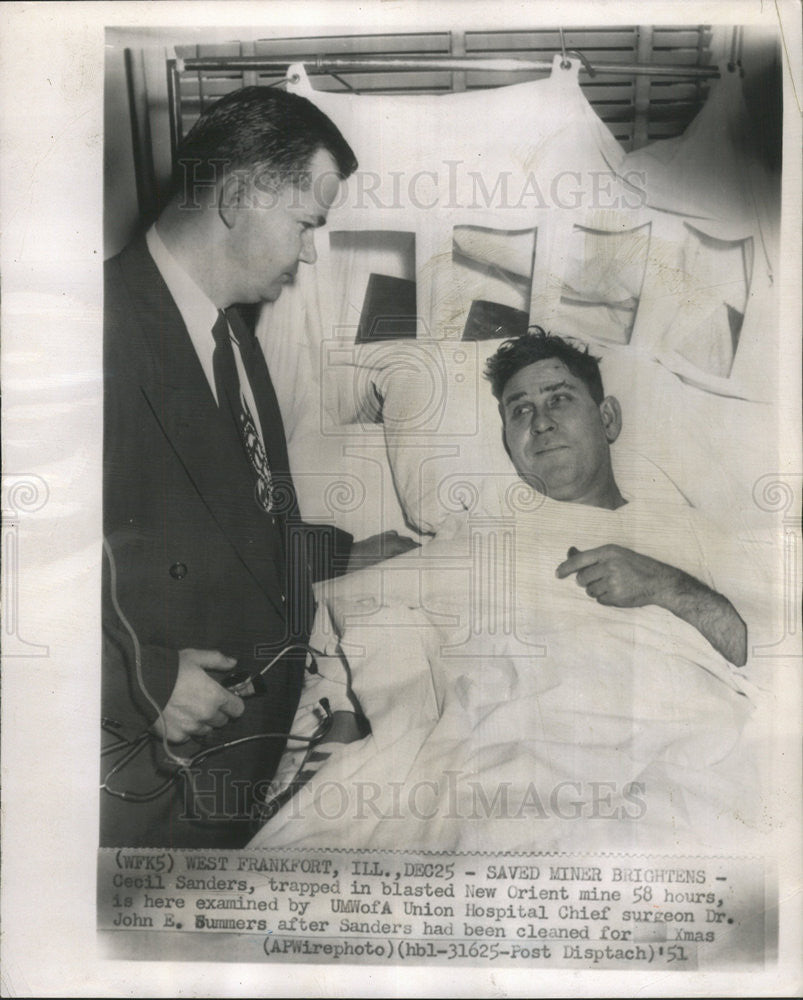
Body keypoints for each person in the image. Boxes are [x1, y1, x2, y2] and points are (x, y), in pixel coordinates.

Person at [102, 86, 414, 849]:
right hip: (150, 775)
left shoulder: (233, 333)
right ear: (241, 196)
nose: (311, 252)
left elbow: (234, 523)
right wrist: (146, 681)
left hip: (245, 763)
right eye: (307, 224)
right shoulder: (95, 326)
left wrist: (349, 553)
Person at [484, 327, 747, 667]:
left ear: (608, 418)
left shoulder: (692, 532)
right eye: (520, 410)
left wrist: (663, 586)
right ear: (508, 441)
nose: (541, 423)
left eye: (559, 399)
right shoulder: (484, 534)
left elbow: (769, 660)